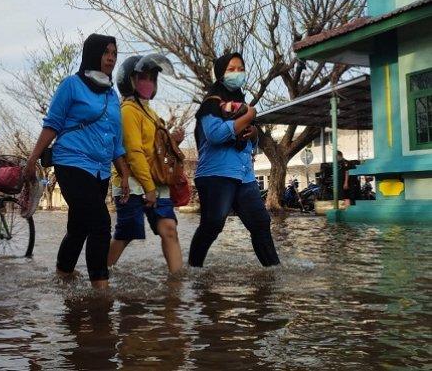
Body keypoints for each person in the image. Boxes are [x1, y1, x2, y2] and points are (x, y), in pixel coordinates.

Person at [24, 33, 130, 289]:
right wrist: (32, 160)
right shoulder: (71, 85)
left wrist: (124, 174)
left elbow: (116, 140)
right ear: (93, 54)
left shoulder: (111, 95)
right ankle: (100, 289)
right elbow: (52, 125)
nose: (111, 58)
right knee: (101, 223)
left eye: (115, 53)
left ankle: (62, 276)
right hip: (71, 163)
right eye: (106, 52)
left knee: (79, 227)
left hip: (100, 171)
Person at [188, 52, 280, 268]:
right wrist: (248, 117)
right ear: (220, 74)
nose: (237, 74)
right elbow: (215, 135)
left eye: (240, 69)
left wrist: (254, 133)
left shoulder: (241, 105)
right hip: (215, 174)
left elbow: (249, 145)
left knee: (260, 222)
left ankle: (274, 272)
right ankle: (193, 271)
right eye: (231, 69)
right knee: (213, 224)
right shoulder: (211, 105)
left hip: (243, 175)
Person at [107, 54, 184, 274]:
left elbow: (155, 149)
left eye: (152, 78)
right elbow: (134, 152)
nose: (148, 82)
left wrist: (173, 140)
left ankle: (176, 284)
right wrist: (148, 188)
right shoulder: (128, 110)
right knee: (127, 232)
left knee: (169, 229)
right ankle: (100, 274)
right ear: (130, 80)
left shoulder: (151, 112)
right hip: (132, 183)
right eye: (143, 77)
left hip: (157, 182)